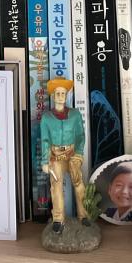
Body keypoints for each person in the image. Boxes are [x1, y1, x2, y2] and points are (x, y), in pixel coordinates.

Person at [40, 78, 90, 234]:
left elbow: (80, 135)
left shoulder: (75, 114)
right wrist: (45, 161)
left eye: (63, 93)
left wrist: (78, 154)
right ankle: (58, 219)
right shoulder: (47, 117)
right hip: (55, 156)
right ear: (53, 96)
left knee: (78, 182)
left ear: (66, 95)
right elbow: (45, 140)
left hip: (72, 154)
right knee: (56, 186)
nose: (61, 96)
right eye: (58, 93)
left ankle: (84, 215)